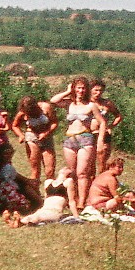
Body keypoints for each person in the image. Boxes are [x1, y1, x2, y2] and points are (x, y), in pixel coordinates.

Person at [50, 76, 107, 209]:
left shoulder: (91, 105)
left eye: (83, 88)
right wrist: (67, 91)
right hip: (69, 139)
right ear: (75, 88)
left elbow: (102, 122)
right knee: (73, 172)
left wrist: (100, 141)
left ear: (87, 90)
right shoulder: (69, 103)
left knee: (82, 173)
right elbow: (53, 101)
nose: (81, 91)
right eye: (78, 88)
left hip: (85, 139)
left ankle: (82, 202)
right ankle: (73, 199)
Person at [4, 167, 79, 227]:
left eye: (68, 169)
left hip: (55, 211)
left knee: (37, 217)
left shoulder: (68, 181)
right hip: (44, 209)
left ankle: (18, 222)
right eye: (64, 168)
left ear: (70, 174)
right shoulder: (48, 182)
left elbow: (71, 201)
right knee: (33, 216)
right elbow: (45, 199)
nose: (65, 168)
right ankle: (16, 222)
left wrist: (76, 217)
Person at [0, 143, 42, 214]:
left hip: (3, 191)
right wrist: (28, 182)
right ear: (0, 154)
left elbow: (15, 177)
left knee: (27, 185)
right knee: (25, 187)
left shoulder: (6, 165)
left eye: (10, 153)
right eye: (6, 153)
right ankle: (38, 204)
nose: (8, 156)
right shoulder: (1, 166)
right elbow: (11, 179)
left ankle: (38, 203)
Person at [12, 95, 57, 180]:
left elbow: (54, 122)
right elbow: (15, 126)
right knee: (35, 170)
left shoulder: (46, 107)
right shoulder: (22, 112)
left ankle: (51, 191)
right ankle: (35, 191)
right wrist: (21, 135)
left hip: (47, 138)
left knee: (50, 170)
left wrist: (46, 133)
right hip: (32, 138)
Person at [90, 79, 123, 172]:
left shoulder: (107, 103)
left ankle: (101, 183)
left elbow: (118, 116)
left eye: (101, 90)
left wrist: (110, 126)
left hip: (104, 135)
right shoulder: (86, 103)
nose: (98, 92)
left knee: (102, 162)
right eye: (96, 90)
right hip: (90, 134)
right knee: (90, 163)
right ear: (90, 90)